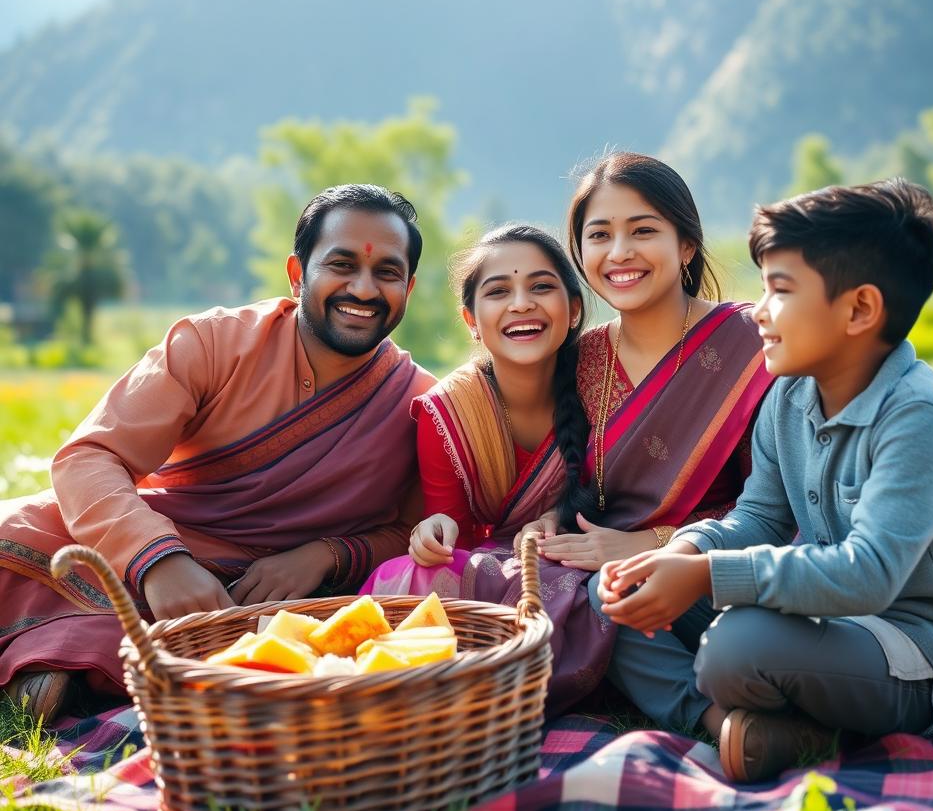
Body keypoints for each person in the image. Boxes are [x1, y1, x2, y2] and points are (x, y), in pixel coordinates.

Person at [597, 179, 933, 783]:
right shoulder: (788, 393)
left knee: (736, 648)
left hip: (917, 654)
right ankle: (728, 726)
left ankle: (776, 713)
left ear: (859, 310)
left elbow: (868, 574)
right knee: (614, 605)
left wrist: (706, 576)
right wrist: (682, 553)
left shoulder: (917, 419)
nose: (758, 310)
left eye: (779, 290)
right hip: (823, 619)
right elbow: (758, 518)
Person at [0, 184, 436, 722]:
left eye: (387, 273)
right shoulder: (213, 343)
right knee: (15, 534)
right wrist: (160, 562)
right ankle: (78, 665)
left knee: (323, 629)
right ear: (298, 274)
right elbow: (90, 457)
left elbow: (414, 532)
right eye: (341, 265)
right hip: (161, 545)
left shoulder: (421, 403)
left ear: (409, 287)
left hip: (275, 594)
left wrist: (326, 554)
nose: (363, 288)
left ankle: (71, 666)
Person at [361, 224, 602, 713]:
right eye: (499, 291)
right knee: (409, 574)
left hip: (584, 556)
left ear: (574, 309)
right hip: (495, 568)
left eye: (540, 286)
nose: (521, 304)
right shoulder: (446, 412)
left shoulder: (606, 385)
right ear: (471, 320)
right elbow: (457, 536)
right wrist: (434, 531)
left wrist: (556, 518)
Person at [533, 152, 772, 573]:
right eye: (600, 235)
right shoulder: (583, 357)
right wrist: (553, 522)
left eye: (643, 230)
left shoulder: (751, 341)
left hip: (715, 572)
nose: (620, 253)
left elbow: (776, 506)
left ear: (686, 245)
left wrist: (654, 542)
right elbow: (580, 486)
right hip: (592, 561)